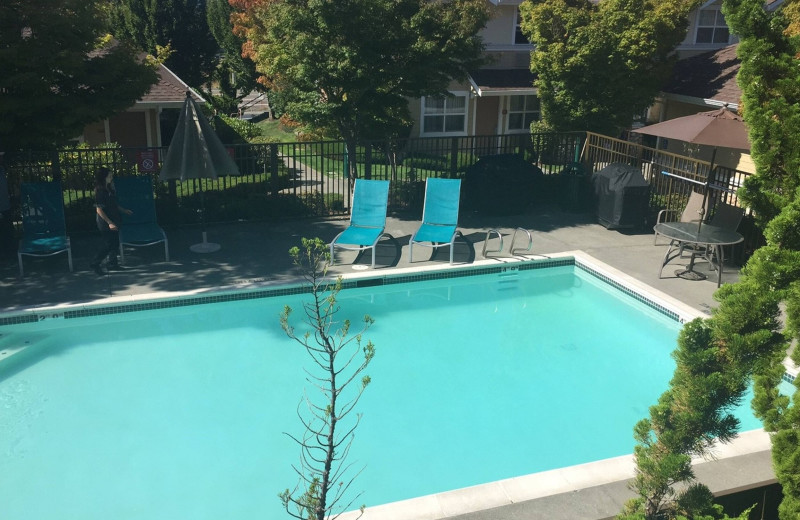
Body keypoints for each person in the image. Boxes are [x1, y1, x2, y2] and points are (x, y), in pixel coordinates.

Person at [90, 167, 132, 275]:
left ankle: (113, 263)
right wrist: (109, 223)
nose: (111, 177)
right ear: (103, 178)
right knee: (108, 244)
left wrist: (124, 210)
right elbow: (99, 209)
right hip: (105, 222)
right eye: (109, 176)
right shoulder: (100, 191)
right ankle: (95, 263)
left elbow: (113, 204)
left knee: (115, 243)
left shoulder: (109, 189)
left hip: (114, 219)